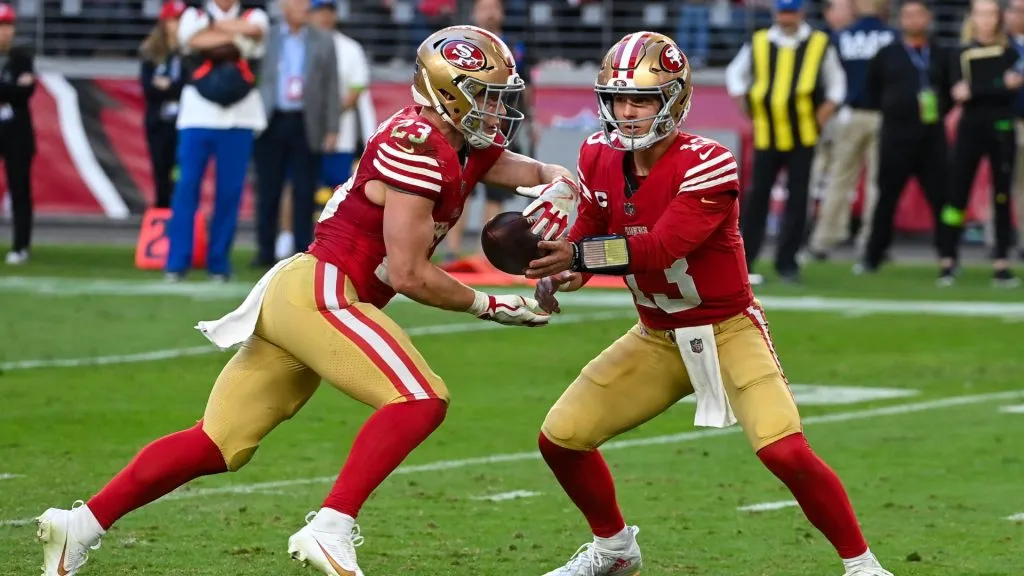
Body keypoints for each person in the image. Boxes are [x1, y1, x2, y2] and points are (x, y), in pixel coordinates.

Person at [35, 25, 576, 576]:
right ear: (448, 92)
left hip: (309, 294)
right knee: (419, 399)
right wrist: (489, 305)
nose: (495, 108)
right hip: (323, 292)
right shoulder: (417, 144)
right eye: (486, 94)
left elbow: (508, 167)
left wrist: (554, 178)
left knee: (219, 445)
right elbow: (408, 273)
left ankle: (78, 525)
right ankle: (331, 526)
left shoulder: (459, 141)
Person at [524, 31, 894, 576]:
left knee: (783, 450)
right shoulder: (596, 153)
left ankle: (863, 566)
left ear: (673, 99)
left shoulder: (709, 163)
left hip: (727, 330)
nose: (627, 113)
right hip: (656, 337)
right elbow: (593, 228)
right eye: (618, 99)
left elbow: (659, 247)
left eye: (643, 100)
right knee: (561, 438)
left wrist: (578, 254)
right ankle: (615, 549)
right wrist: (562, 269)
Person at [725, 0, 846, 283]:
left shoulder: (818, 43)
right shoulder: (759, 42)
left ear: (802, 13)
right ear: (775, 12)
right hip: (767, 133)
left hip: (803, 135)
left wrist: (821, 117)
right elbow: (735, 76)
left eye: (791, 11)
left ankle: (787, 262)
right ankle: (748, 259)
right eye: (782, 11)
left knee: (798, 199)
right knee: (757, 198)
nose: (786, 17)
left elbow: (837, 85)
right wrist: (747, 108)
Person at [164, 0, 269, 282]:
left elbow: (256, 32)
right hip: (196, 116)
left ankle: (219, 262)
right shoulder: (193, 14)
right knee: (186, 189)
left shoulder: (254, 13)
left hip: (241, 118)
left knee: (229, 193)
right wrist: (235, 36)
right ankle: (177, 261)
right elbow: (192, 40)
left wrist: (213, 30)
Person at [858, 0, 950, 273]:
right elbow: (873, 91)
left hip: (932, 138)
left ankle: (948, 256)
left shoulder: (942, 53)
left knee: (941, 198)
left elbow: (951, 89)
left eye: (918, 14)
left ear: (928, 18)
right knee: (886, 197)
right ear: (900, 20)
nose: (913, 20)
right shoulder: (887, 54)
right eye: (908, 15)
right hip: (895, 136)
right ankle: (873, 257)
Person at [444, 0, 534, 261]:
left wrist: (532, 120)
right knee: (460, 192)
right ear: (474, 12)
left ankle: (487, 254)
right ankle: (452, 251)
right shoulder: (462, 46)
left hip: (500, 126)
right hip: (465, 126)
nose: (491, 13)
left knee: (497, 189)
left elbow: (525, 86)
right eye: (485, 7)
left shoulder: (513, 47)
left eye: (495, 7)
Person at [252, 0, 339, 266]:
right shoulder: (266, 36)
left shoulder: (323, 40)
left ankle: (304, 251)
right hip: (271, 120)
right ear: (283, 6)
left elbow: (331, 87)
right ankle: (265, 251)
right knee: (268, 189)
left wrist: (332, 127)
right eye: (298, 2)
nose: (304, 7)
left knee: (304, 190)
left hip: (306, 122)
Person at [808, 0, 896, 260]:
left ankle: (824, 239)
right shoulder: (891, 37)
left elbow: (827, 78)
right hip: (884, 115)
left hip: (849, 113)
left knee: (839, 178)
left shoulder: (841, 37)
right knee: (877, 182)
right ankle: (871, 241)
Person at [943, 0, 1022, 286]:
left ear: (998, 18)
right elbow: (957, 91)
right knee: (956, 192)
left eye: (991, 14)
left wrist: (977, 90)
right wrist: (995, 87)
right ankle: (948, 259)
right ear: (972, 18)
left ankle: (1001, 262)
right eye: (980, 13)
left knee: (1002, 196)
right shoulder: (960, 52)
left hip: (1001, 129)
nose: (986, 19)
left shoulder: (1009, 51)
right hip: (970, 129)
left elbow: (1008, 92)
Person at [310, 0, 370, 189]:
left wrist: (326, 120)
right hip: (303, 137)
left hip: (341, 137)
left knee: (339, 195)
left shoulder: (351, 48)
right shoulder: (300, 45)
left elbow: (355, 92)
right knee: (295, 192)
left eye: (330, 11)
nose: (325, 16)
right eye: (319, 11)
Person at [140, 0, 187, 209]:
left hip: (183, 123)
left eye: (181, 20)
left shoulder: (190, 51)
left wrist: (167, 86)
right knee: (161, 172)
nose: (177, 25)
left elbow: (190, 86)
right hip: (158, 122)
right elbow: (148, 88)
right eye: (174, 20)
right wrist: (173, 87)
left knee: (180, 173)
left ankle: (179, 215)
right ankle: (161, 216)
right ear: (164, 22)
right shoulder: (151, 52)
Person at [0, 2, 36, 266]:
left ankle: (21, 246)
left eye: (9, 26)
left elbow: (25, 94)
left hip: (17, 133)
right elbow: (16, 91)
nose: (5, 32)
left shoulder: (22, 57)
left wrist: (10, 90)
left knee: (20, 191)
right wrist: (10, 88)